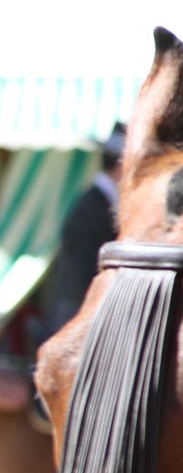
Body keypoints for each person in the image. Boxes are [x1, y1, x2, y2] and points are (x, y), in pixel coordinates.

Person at [35, 122, 124, 343]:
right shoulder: (93, 209)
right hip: (82, 318)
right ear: (121, 167)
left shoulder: (97, 204)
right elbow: (81, 277)